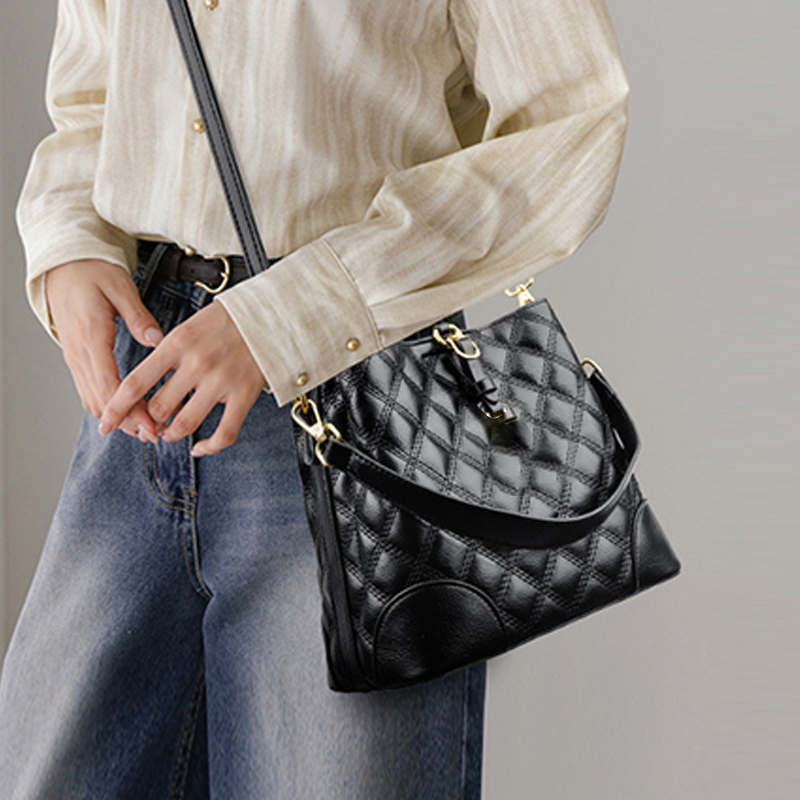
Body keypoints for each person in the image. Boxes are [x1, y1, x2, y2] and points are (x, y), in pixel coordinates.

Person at [0, 0, 630, 797]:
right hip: (143, 378)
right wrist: (70, 241)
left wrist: (297, 312)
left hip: (362, 389)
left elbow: (575, 120)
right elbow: (97, 86)